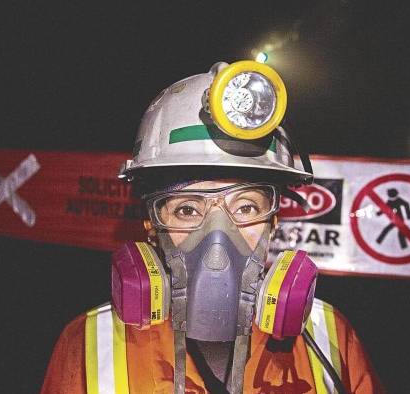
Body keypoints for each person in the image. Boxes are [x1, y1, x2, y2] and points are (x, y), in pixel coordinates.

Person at [41, 61, 384, 393]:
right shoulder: (89, 343)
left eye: (246, 206)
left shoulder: (329, 336)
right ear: (152, 226)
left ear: (274, 222)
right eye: (188, 209)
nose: (218, 237)